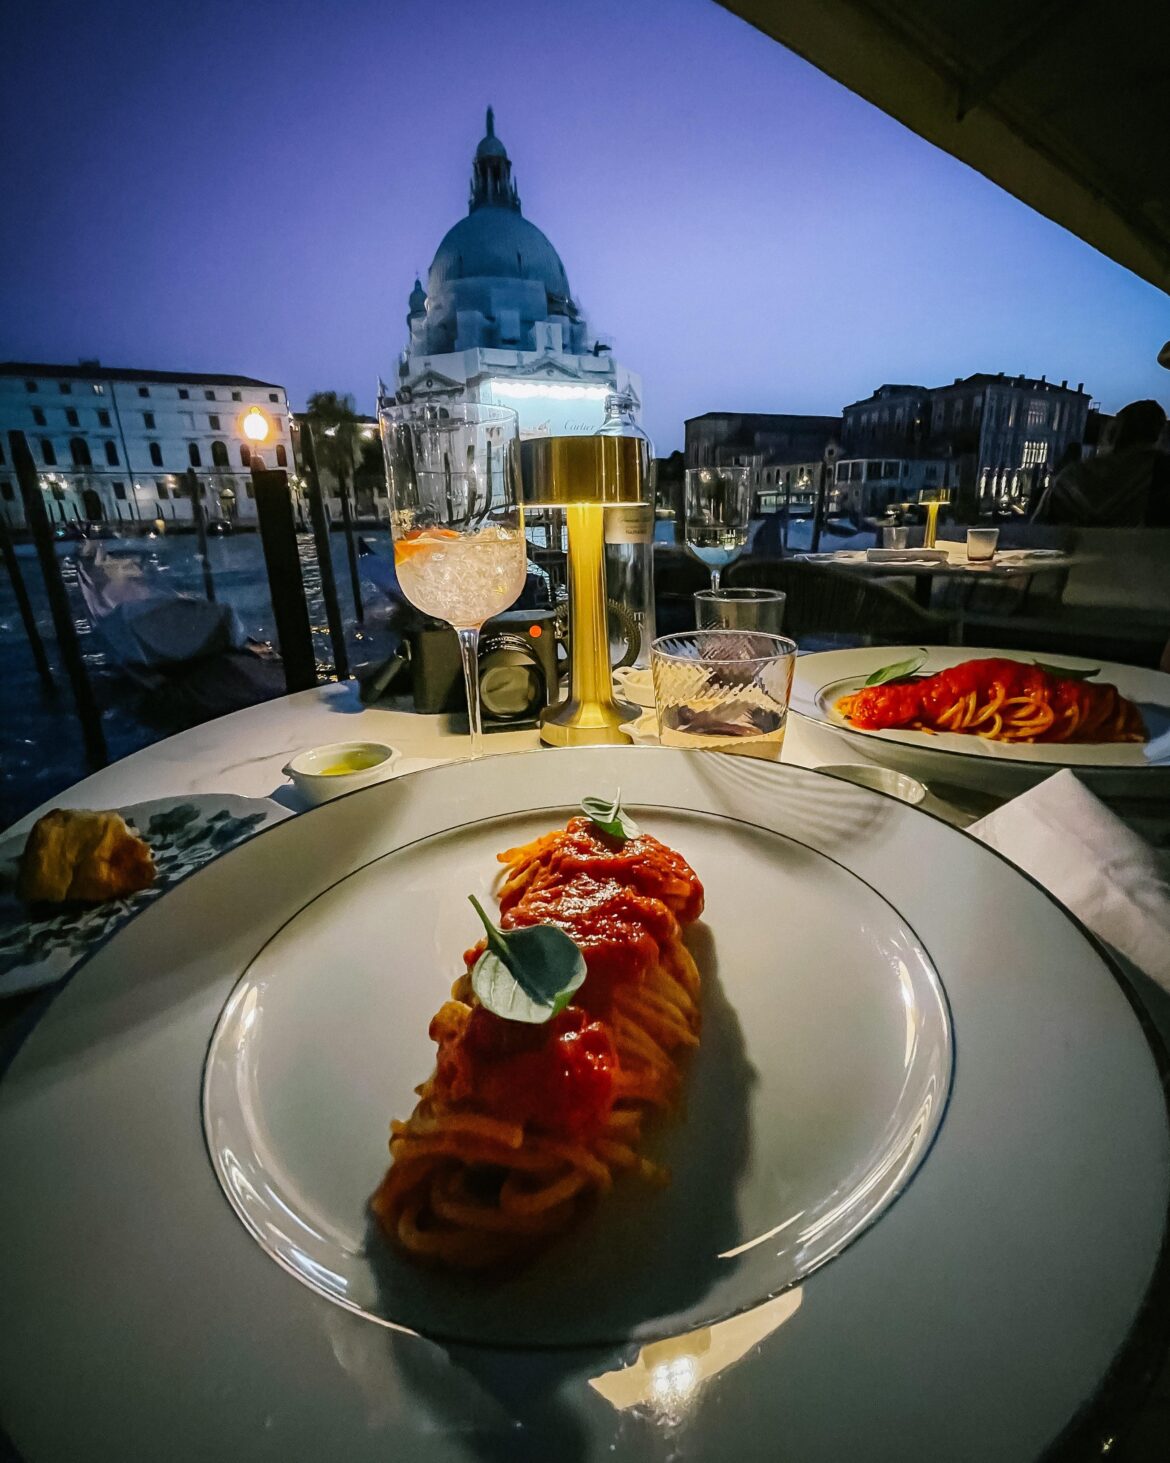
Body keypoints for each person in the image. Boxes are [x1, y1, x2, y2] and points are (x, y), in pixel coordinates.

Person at [1032, 399, 1169, 526]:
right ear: (1160, 436)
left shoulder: (1073, 478)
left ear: (1114, 433)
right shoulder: (1161, 475)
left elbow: (1038, 531)